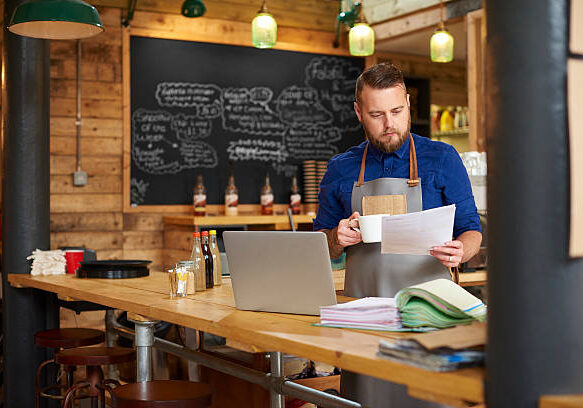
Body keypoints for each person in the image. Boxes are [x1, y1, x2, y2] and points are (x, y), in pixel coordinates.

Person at [313, 62, 482, 407]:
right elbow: (320, 246)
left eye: (397, 111)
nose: (389, 124)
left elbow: (471, 230)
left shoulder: (442, 158)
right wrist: (336, 238)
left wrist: (459, 251)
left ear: (407, 102)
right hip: (363, 319)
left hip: (430, 314)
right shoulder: (341, 168)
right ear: (359, 112)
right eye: (377, 114)